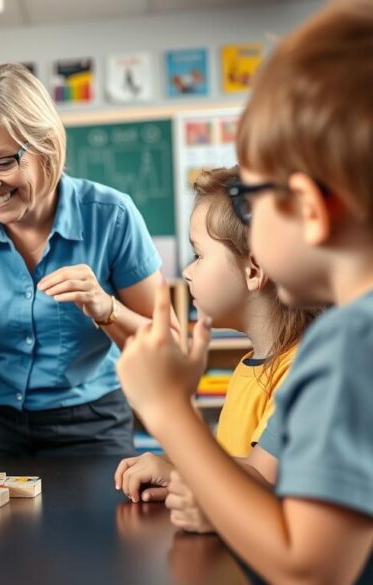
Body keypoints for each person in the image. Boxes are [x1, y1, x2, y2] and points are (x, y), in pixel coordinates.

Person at [117, 2, 373, 581]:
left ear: (308, 207)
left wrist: (167, 409)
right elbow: (262, 485)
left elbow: (306, 567)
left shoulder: (353, 342)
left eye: (250, 201)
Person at [0, 63, 178, 458]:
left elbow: (169, 347)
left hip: (91, 424)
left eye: (3, 162)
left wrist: (107, 309)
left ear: (46, 145)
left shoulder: (111, 215)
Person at [113, 167, 318, 504]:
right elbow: (235, 467)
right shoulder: (251, 366)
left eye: (198, 255)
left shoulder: (298, 372)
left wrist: (178, 467)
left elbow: (263, 479)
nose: (186, 271)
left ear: (253, 270)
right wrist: (172, 464)